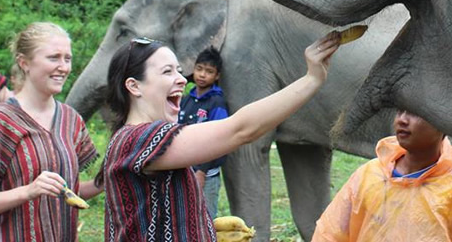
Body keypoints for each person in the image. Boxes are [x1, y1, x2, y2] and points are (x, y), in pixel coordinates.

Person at [98, 32, 340, 241]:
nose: (182, 79)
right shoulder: (137, 140)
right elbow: (241, 130)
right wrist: (311, 79)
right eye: (167, 72)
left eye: (180, 71)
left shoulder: (132, 140)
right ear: (134, 86)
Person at [0, 22, 101, 241]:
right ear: (24, 63)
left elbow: (68, 192)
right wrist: (28, 191)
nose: (63, 67)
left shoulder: (72, 121)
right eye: (53, 57)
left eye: (67, 58)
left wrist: (106, 179)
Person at [312, 110, 452, 242]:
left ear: (445, 124)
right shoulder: (369, 176)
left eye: (416, 113)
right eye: (400, 111)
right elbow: (330, 234)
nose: (402, 120)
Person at [177, 46, 229, 219]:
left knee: (204, 217)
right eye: (199, 69)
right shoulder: (186, 100)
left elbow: (219, 139)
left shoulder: (217, 102)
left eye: (209, 71)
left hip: (206, 174)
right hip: (182, 170)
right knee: (182, 216)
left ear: (217, 76)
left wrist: (202, 172)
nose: (202, 75)